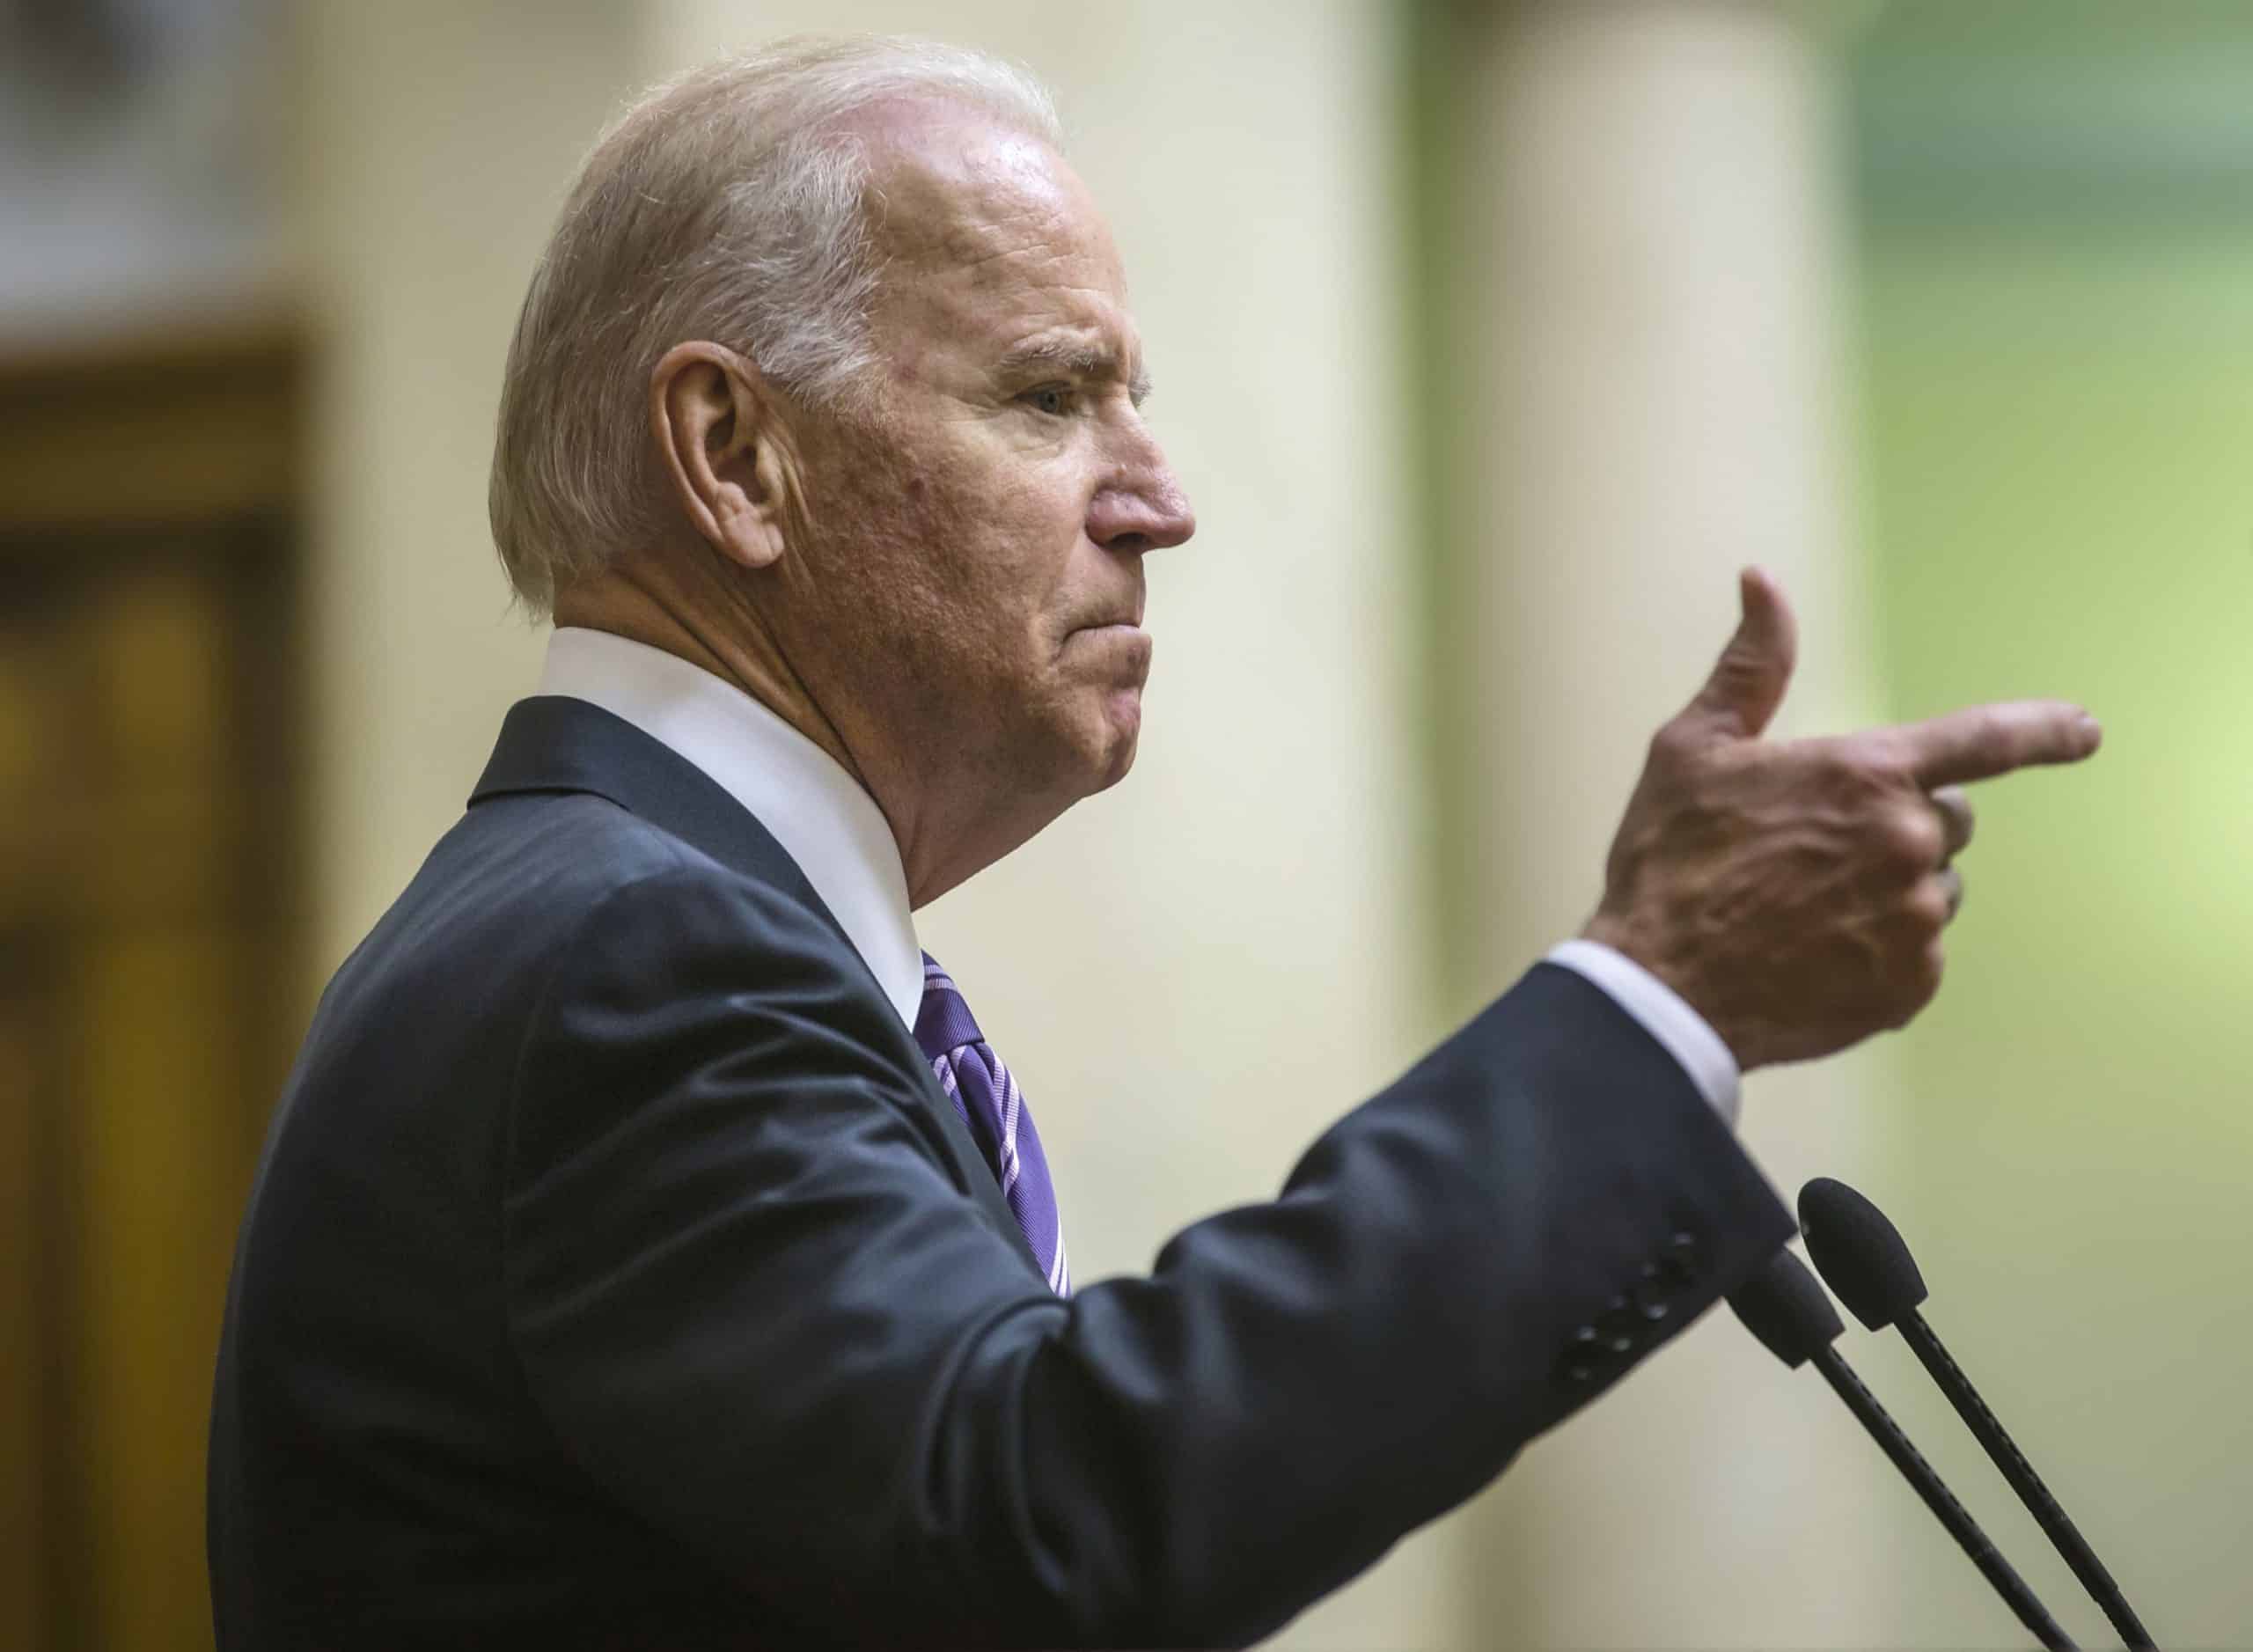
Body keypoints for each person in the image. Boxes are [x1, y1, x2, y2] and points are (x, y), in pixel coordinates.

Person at [206, 35, 2101, 1650]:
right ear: (732, 454)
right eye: (1049, 397)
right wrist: (1655, 995)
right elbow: (1047, 1516)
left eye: (1137, 402)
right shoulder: (635, 961)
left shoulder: (632, 925)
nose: (1162, 502)